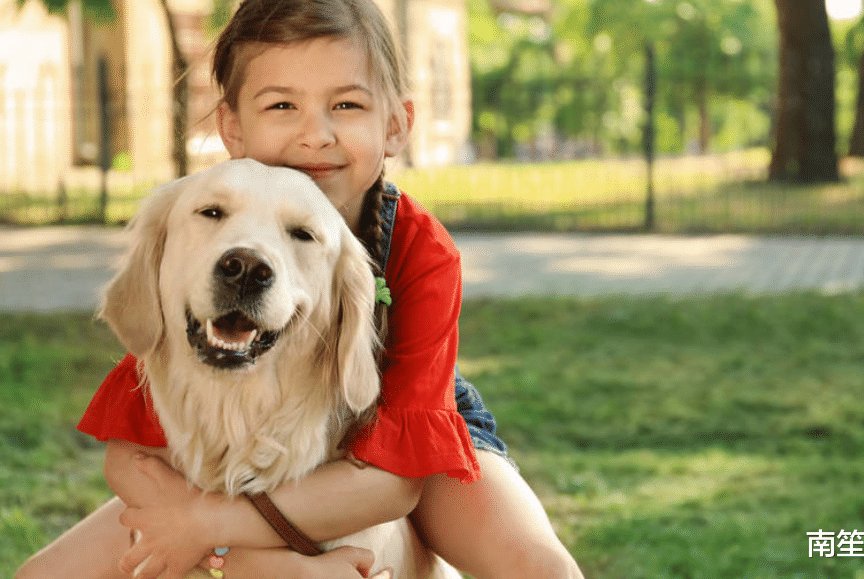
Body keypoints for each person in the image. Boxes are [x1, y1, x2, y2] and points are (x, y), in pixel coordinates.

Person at [16, 1, 582, 578]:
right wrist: (228, 547)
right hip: (250, 439)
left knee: (542, 571)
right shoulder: (196, 231)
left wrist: (210, 531)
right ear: (232, 126)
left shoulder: (422, 250)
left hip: (406, 435)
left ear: (395, 124)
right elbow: (130, 450)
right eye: (283, 105)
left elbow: (394, 482)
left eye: (347, 104)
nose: (316, 134)